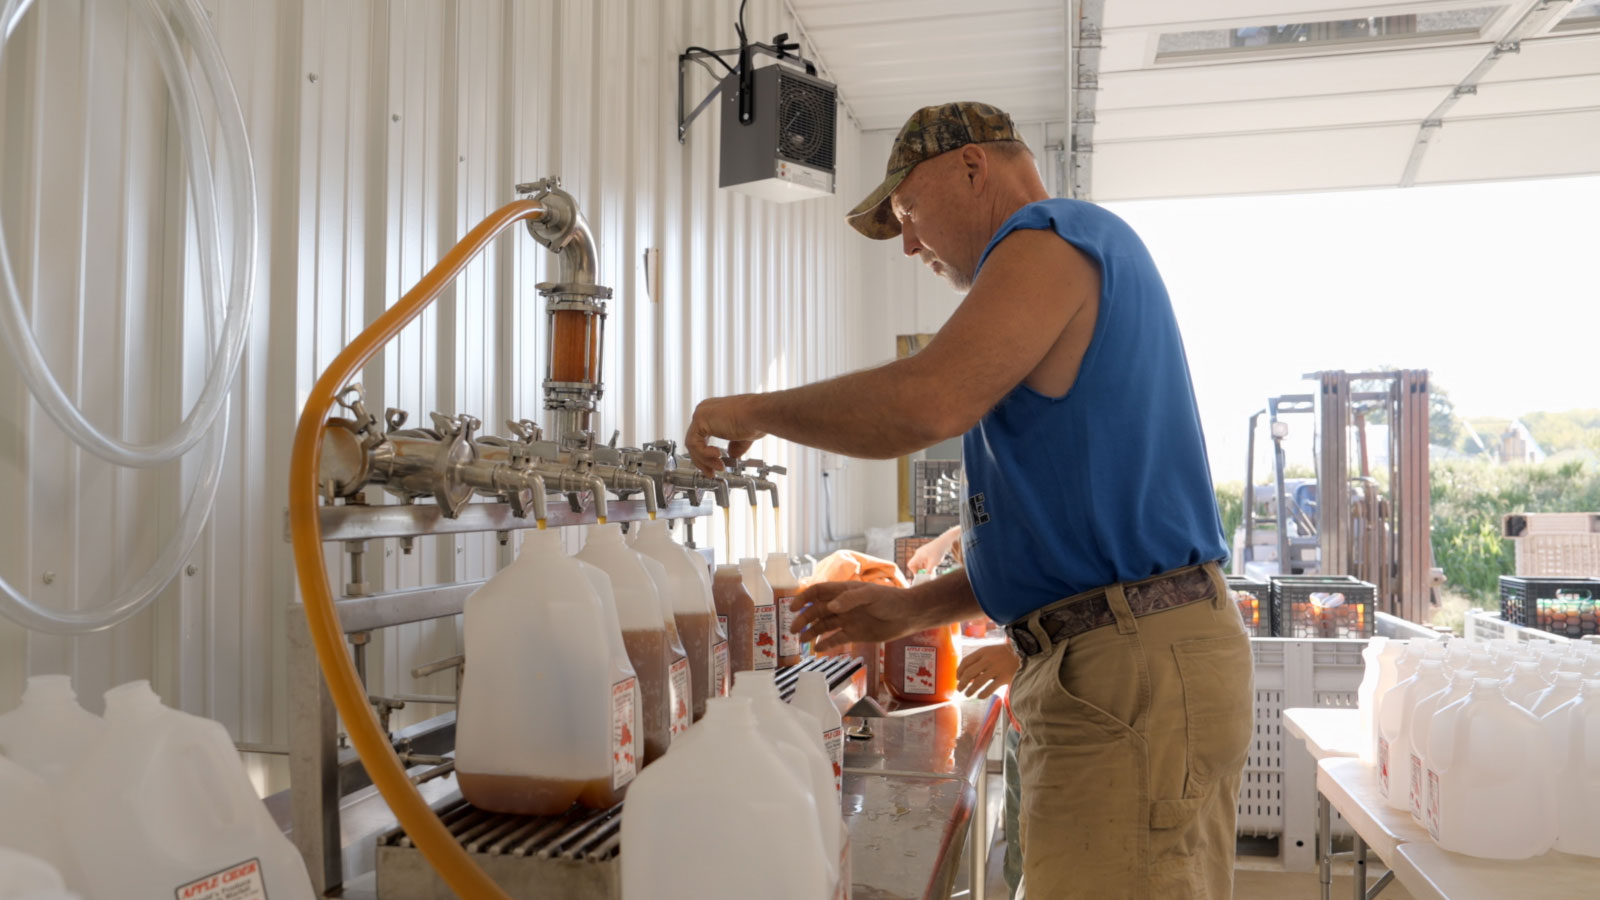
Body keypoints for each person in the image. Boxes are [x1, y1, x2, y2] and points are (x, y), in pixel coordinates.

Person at [684, 101, 1253, 898]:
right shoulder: (1049, 281)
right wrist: (908, 610)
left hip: (1132, 670)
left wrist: (749, 411)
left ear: (973, 167)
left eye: (909, 212)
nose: (909, 243)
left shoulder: (1050, 238)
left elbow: (924, 403)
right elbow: (1056, 552)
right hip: (1120, 659)